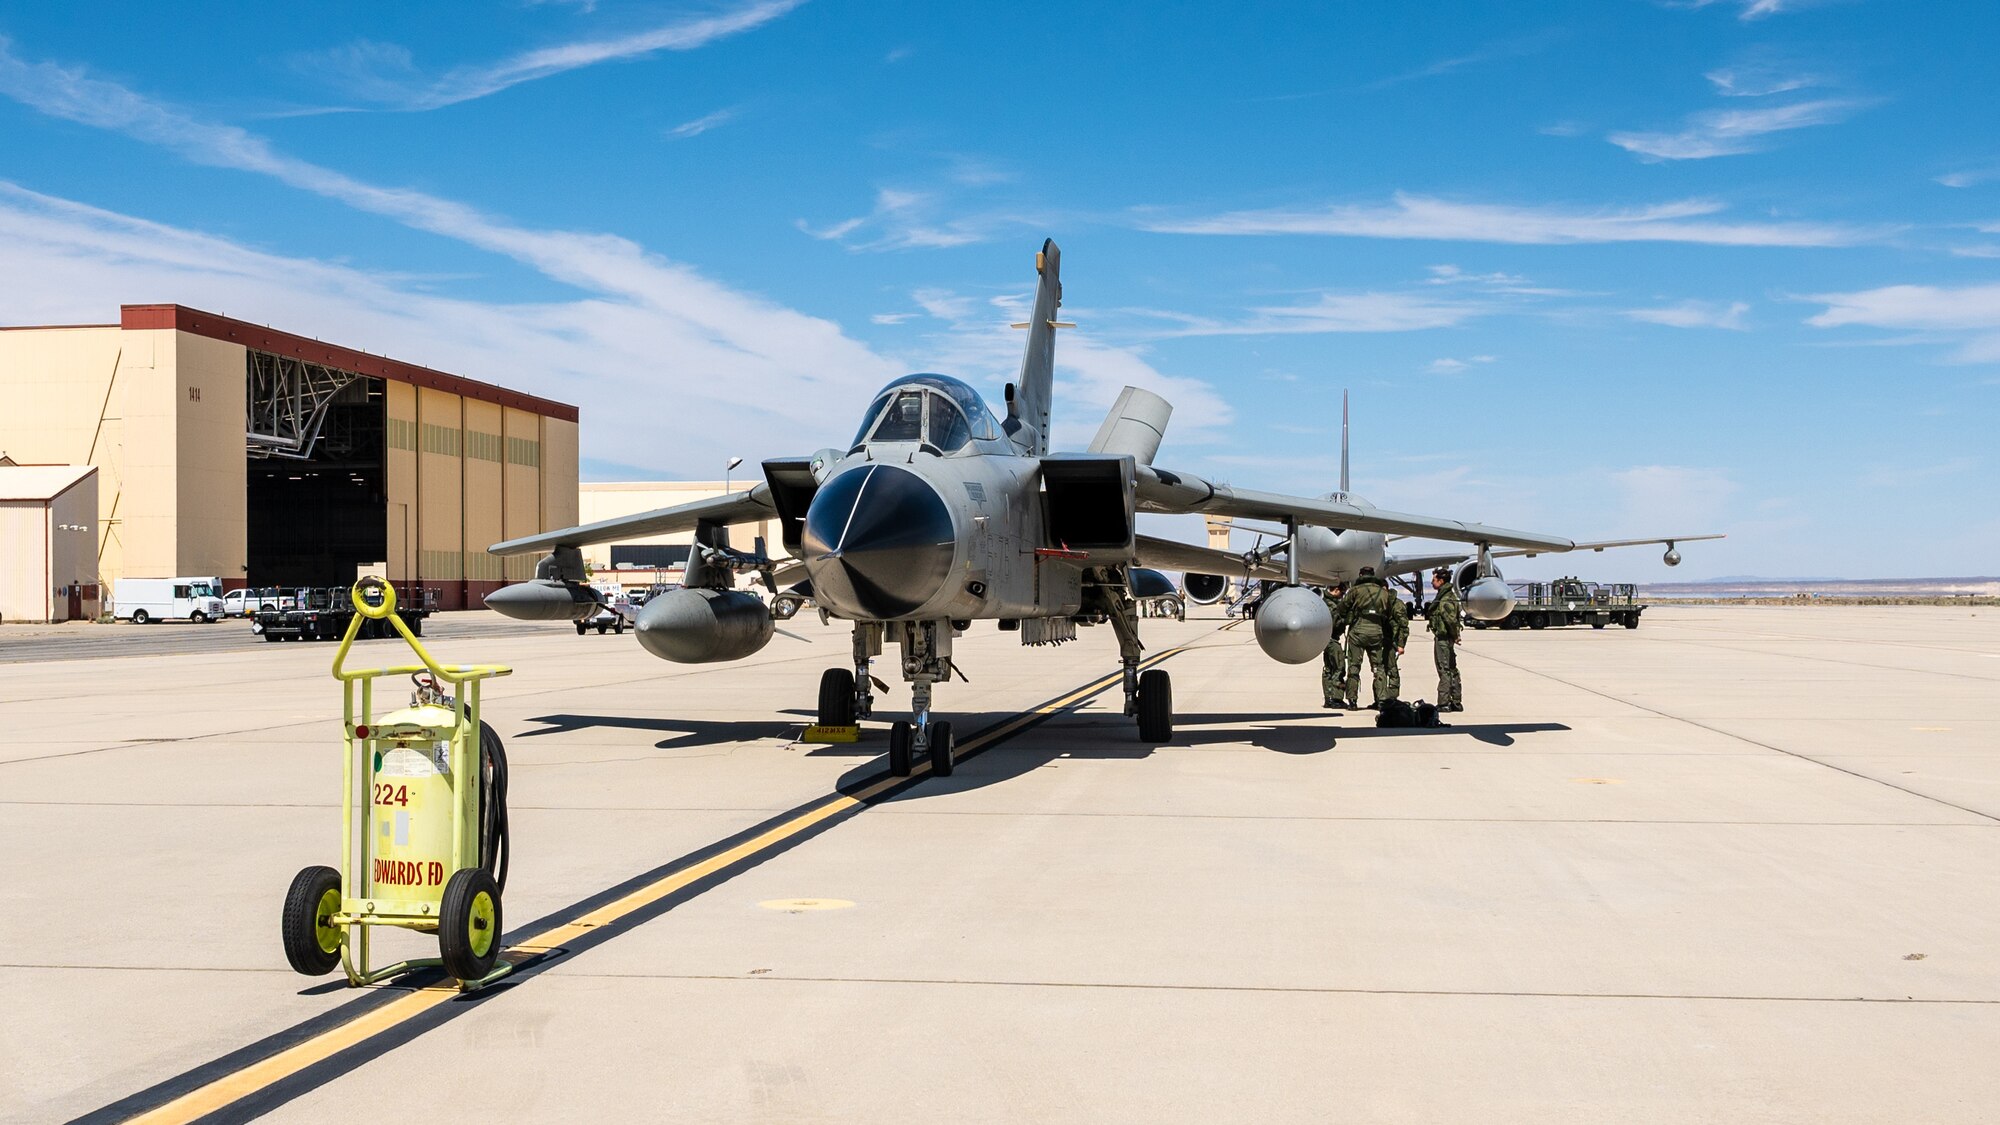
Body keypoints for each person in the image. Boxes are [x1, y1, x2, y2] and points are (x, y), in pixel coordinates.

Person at [1337, 566, 1407, 709]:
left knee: (1354, 666)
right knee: (1378, 668)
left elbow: (1342, 609)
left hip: (1358, 632)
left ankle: (1352, 700)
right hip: (1377, 632)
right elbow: (1388, 613)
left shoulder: (1355, 591)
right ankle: (1381, 699)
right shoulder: (1383, 593)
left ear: (1361, 575)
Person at [1427, 568, 1463, 712]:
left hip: (1443, 638)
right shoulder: (1448, 596)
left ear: (1441, 581)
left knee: (1444, 670)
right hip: (1446, 637)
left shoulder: (1445, 598)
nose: (1432, 582)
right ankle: (1456, 701)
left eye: (1434, 580)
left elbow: (1450, 620)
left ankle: (1444, 703)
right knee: (1452, 669)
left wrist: (1455, 635)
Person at [1319, 581, 1348, 708]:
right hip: (1331, 639)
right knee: (1339, 666)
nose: (1342, 596)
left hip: (1326, 638)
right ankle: (1336, 697)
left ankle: (1328, 697)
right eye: (1342, 593)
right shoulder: (1332, 605)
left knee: (1328, 669)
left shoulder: (1323, 602)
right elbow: (1335, 623)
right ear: (1336, 590)